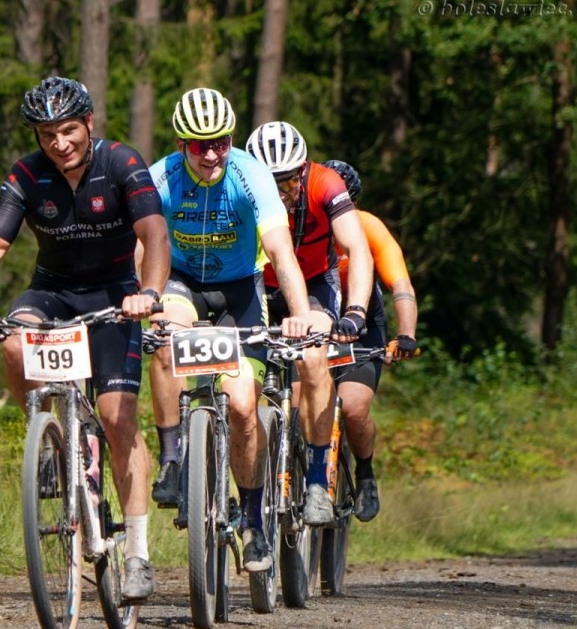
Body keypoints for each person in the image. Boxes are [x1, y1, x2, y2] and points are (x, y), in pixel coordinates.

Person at [0, 76, 170, 602]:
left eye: (69, 131)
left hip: (116, 294)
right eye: (47, 134)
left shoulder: (122, 163)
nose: (59, 144)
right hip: (53, 292)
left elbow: (155, 236)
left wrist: (148, 292)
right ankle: (50, 438)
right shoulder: (28, 174)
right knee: (13, 341)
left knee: (120, 419)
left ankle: (139, 553)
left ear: (89, 125)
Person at [147, 87, 315, 574]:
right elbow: (141, 245)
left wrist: (300, 312)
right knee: (164, 335)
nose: (212, 153)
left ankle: (253, 522)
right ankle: (173, 459)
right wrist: (140, 296)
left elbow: (281, 254)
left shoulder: (251, 175)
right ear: (182, 145)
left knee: (244, 405)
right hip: (181, 282)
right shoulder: (161, 178)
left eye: (220, 141)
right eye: (200, 145)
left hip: (239, 291)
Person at [242, 121, 375, 525]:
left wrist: (355, 311)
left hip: (316, 283)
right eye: (272, 182)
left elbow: (358, 249)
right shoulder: (240, 184)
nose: (282, 192)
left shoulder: (326, 183)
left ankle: (318, 480)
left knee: (314, 357)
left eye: (288, 181)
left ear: (303, 170)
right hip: (256, 284)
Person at [320, 159, 419, 522]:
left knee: (352, 408)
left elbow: (401, 286)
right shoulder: (296, 228)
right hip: (313, 321)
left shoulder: (368, 228)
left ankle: (364, 472)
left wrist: (405, 334)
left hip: (362, 327)